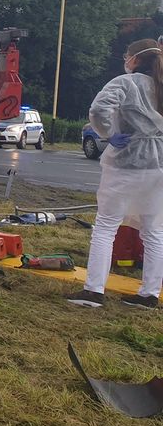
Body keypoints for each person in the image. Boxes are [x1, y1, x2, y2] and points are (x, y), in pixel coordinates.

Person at [66, 38, 163, 310]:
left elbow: (98, 110)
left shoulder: (126, 83)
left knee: (106, 226)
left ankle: (94, 291)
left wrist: (109, 134)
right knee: (154, 231)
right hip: (159, 167)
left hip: (126, 163)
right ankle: (149, 295)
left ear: (134, 59)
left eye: (126, 56)